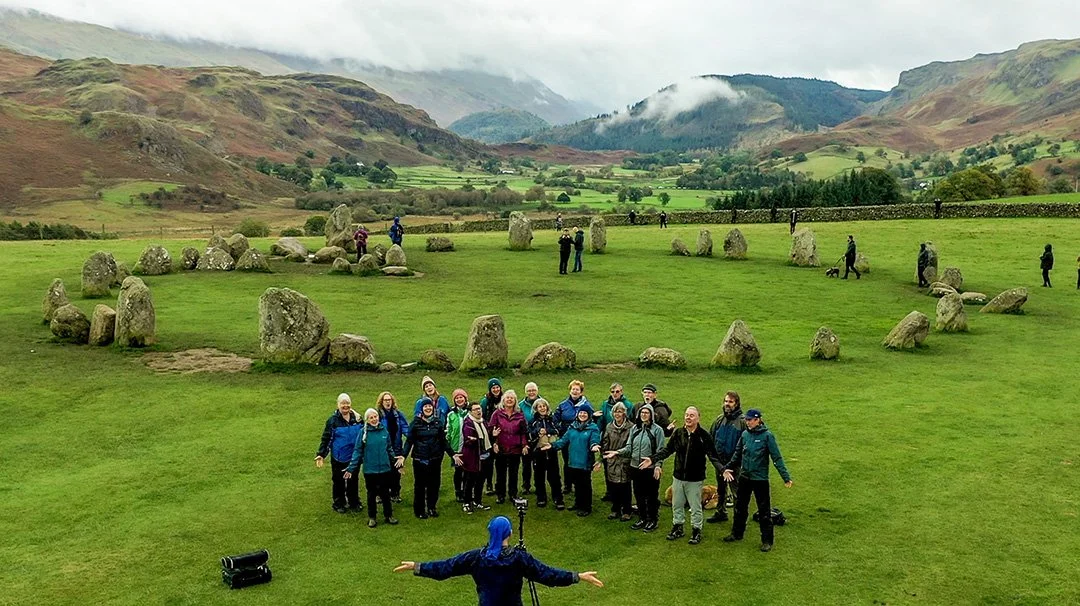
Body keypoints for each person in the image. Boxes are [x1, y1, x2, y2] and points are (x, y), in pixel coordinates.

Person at [393, 515, 603, 606]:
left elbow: (446, 568)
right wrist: (578, 576)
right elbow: (548, 575)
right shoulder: (519, 559)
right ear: (509, 533)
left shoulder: (476, 558)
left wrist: (418, 566)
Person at [641, 407, 718, 545]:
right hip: (678, 477)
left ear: (698, 418)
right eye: (687, 415)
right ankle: (678, 527)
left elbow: (713, 456)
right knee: (677, 504)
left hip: (695, 479)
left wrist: (723, 469)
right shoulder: (678, 433)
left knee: (695, 506)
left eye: (692, 415)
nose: (688, 418)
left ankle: (696, 530)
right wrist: (652, 459)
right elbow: (667, 450)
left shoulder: (704, 436)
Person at [722, 408, 793, 552]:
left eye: (750, 420)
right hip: (745, 477)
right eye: (746, 420)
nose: (747, 423)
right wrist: (726, 468)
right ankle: (737, 533)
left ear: (758, 420)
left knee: (764, 511)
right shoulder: (745, 435)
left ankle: (767, 540)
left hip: (760, 479)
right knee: (740, 507)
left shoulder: (767, 436)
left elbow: (777, 458)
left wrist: (786, 477)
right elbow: (737, 455)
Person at [606, 404, 665, 532]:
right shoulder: (635, 428)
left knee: (651, 495)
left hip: (649, 468)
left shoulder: (657, 430)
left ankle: (652, 520)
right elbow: (629, 447)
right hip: (635, 467)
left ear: (651, 415)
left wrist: (657, 466)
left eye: (646, 413)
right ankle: (642, 518)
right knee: (639, 494)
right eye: (642, 413)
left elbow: (660, 450)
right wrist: (617, 452)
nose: (644, 415)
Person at [344, 407, 405, 528]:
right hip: (370, 470)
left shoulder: (384, 431)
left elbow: (389, 449)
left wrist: (396, 464)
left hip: (385, 469)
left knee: (385, 493)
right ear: (367, 420)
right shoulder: (363, 433)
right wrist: (351, 468)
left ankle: (389, 515)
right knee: (371, 494)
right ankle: (372, 517)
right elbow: (357, 451)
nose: (374, 419)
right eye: (371, 418)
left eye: (375, 416)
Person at [404, 398, 461, 519]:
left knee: (434, 485)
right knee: (420, 486)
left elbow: (443, 441)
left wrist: (453, 454)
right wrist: (403, 456)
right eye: (425, 406)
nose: (428, 408)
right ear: (421, 409)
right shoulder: (415, 423)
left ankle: (431, 507)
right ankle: (419, 510)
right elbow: (409, 441)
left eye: (430, 406)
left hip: (435, 458)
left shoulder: (437, 422)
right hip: (420, 459)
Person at [544, 406, 601, 516]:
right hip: (573, 461)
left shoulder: (593, 428)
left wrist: (594, 445)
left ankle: (586, 507)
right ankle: (578, 503)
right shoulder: (572, 427)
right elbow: (563, 440)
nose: (582, 415)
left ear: (589, 415)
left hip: (585, 462)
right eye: (581, 413)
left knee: (585, 485)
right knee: (577, 484)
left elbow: (594, 439)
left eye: (585, 413)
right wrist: (552, 445)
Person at [315, 393, 364, 513]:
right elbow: (326, 439)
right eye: (343, 403)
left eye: (347, 403)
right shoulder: (332, 421)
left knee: (353, 480)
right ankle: (339, 503)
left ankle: (354, 502)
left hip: (354, 457)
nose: (345, 406)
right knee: (338, 481)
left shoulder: (357, 419)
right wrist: (321, 454)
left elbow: (364, 435)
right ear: (338, 405)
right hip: (339, 457)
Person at [706, 391, 747, 524]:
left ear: (736, 404)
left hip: (735, 465)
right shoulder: (719, 420)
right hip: (720, 463)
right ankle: (721, 512)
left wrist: (736, 462)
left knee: (737, 493)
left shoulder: (742, 422)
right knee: (721, 489)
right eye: (726, 401)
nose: (727, 404)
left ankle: (739, 519)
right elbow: (710, 438)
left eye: (730, 402)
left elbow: (746, 445)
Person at [490, 390, 528, 505]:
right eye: (507, 398)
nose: (510, 400)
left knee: (514, 473)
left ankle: (513, 494)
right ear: (503, 400)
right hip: (500, 448)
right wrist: (494, 442)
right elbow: (491, 429)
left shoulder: (520, 414)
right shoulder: (497, 413)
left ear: (515, 401)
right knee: (500, 473)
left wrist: (524, 445)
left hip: (515, 449)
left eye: (512, 398)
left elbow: (523, 432)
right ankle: (500, 495)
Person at [554, 380, 591, 496]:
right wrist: (560, 430)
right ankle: (567, 485)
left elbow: (591, 420)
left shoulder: (586, 405)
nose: (575, 391)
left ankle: (578, 485)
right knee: (567, 461)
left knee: (579, 461)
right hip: (567, 436)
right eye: (573, 389)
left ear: (581, 392)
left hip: (581, 438)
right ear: (570, 390)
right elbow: (555, 419)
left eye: (577, 389)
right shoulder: (563, 405)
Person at [527, 398, 563, 509]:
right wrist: (538, 432)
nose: (542, 408)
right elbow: (529, 434)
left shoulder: (552, 419)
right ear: (536, 409)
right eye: (540, 407)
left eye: (544, 406)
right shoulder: (533, 420)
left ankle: (558, 499)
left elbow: (559, 430)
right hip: (538, 451)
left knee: (554, 476)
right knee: (539, 476)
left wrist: (547, 431)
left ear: (547, 408)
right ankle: (541, 498)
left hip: (551, 450)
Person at [599, 403, 633, 521]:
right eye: (615, 412)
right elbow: (605, 443)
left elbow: (631, 446)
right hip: (612, 461)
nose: (617, 414)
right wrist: (603, 457)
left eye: (620, 411)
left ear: (624, 413)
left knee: (625, 487)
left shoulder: (631, 427)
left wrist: (620, 454)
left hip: (625, 461)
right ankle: (615, 509)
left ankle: (627, 511)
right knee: (613, 487)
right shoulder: (609, 427)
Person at [460, 402, 494, 514]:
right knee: (470, 481)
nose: (478, 411)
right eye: (475, 409)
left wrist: (492, 434)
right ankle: (466, 503)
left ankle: (477, 501)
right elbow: (467, 440)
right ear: (470, 412)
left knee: (481, 480)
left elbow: (487, 435)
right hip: (473, 458)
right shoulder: (468, 424)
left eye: (479, 409)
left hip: (485, 456)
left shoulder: (484, 422)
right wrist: (472, 440)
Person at [377, 391, 410, 503]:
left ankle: (395, 493)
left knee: (396, 472)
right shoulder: (378, 415)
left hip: (396, 448)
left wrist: (412, 437)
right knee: (382, 473)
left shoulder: (398, 414)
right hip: (383, 448)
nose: (387, 402)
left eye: (389, 400)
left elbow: (405, 428)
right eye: (385, 400)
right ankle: (380, 494)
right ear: (381, 402)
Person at [446, 388, 472, 503]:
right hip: (456, 447)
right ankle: (458, 492)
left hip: (469, 447)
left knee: (468, 471)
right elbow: (448, 430)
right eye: (457, 398)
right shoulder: (451, 414)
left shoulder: (470, 412)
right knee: (458, 471)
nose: (459, 399)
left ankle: (467, 491)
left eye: (461, 397)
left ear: (465, 399)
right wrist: (448, 445)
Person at [479, 378, 504, 495]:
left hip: (502, 434)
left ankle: (499, 485)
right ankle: (488, 483)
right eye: (493, 388)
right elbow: (481, 417)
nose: (496, 389)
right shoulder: (485, 401)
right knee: (488, 461)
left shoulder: (504, 399)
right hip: (489, 434)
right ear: (490, 389)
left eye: (497, 387)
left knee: (500, 461)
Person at [519, 383, 540, 495]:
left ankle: (538, 485)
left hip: (539, 438)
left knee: (538, 464)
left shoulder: (542, 403)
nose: (531, 393)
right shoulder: (521, 405)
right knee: (526, 464)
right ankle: (526, 486)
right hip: (526, 438)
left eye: (533, 390)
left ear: (537, 391)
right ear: (525, 392)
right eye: (529, 391)